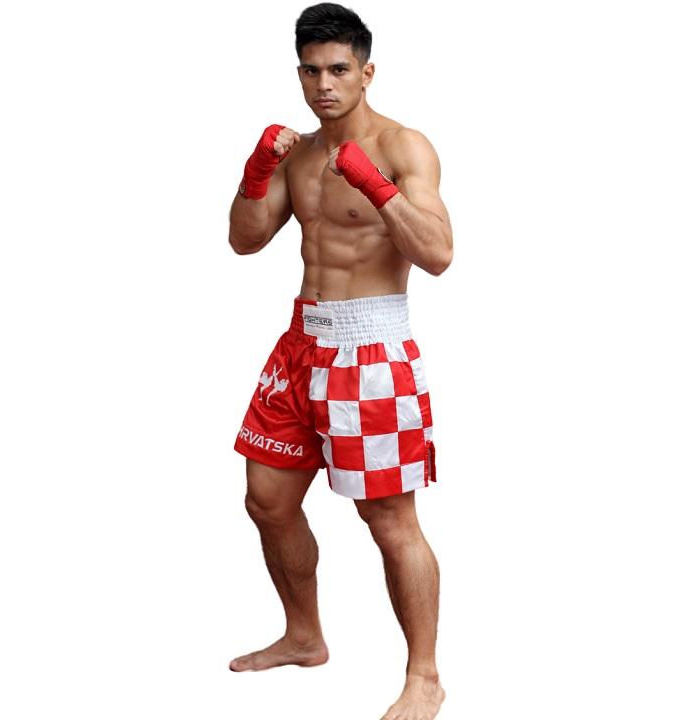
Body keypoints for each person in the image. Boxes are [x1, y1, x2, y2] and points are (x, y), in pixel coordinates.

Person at [227, 4, 452, 718]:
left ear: (366, 72)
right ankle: (304, 636)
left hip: (371, 348)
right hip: (300, 343)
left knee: (388, 519)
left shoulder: (403, 146)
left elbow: (439, 254)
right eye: (311, 71)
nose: (323, 84)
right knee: (267, 499)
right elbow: (245, 240)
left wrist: (375, 186)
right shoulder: (297, 154)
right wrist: (256, 172)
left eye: (338, 70)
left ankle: (424, 678)